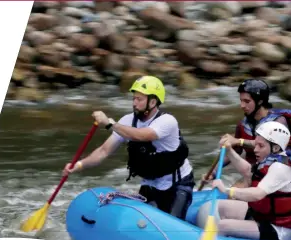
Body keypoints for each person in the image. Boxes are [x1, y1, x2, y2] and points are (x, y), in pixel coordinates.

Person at [63, 75, 196, 220]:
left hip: (178, 184)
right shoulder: (127, 121)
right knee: (142, 221)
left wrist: (110, 124)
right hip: (150, 184)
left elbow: (142, 135)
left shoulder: (167, 121)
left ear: (152, 102)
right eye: (134, 98)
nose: (134, 103)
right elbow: (103, 151)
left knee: (172, 222)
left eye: (139, 99)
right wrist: (79, 165)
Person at [205, 121, 291, 240]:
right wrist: (229, 150)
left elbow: (257, 194)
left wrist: (227, 190)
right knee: (223, 207)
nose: (255, 149)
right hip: (262, 216)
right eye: (256, 144)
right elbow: (248, 171)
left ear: (275, 147)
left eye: (261, 146)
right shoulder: (271, 158)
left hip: (280, 229)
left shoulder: (281, 168)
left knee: (222, 226)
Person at [201, 79, 291, 186]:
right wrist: (213, 172)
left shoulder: (279, 121)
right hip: (255, 174)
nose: (242, 105)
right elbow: (234, 152)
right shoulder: (242, 125)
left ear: (260, 101)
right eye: (241, 100)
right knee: (232, 193)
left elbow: (268, 145)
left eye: (247, 101)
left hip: (279, 174)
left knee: (234, 194)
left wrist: (238, 141)